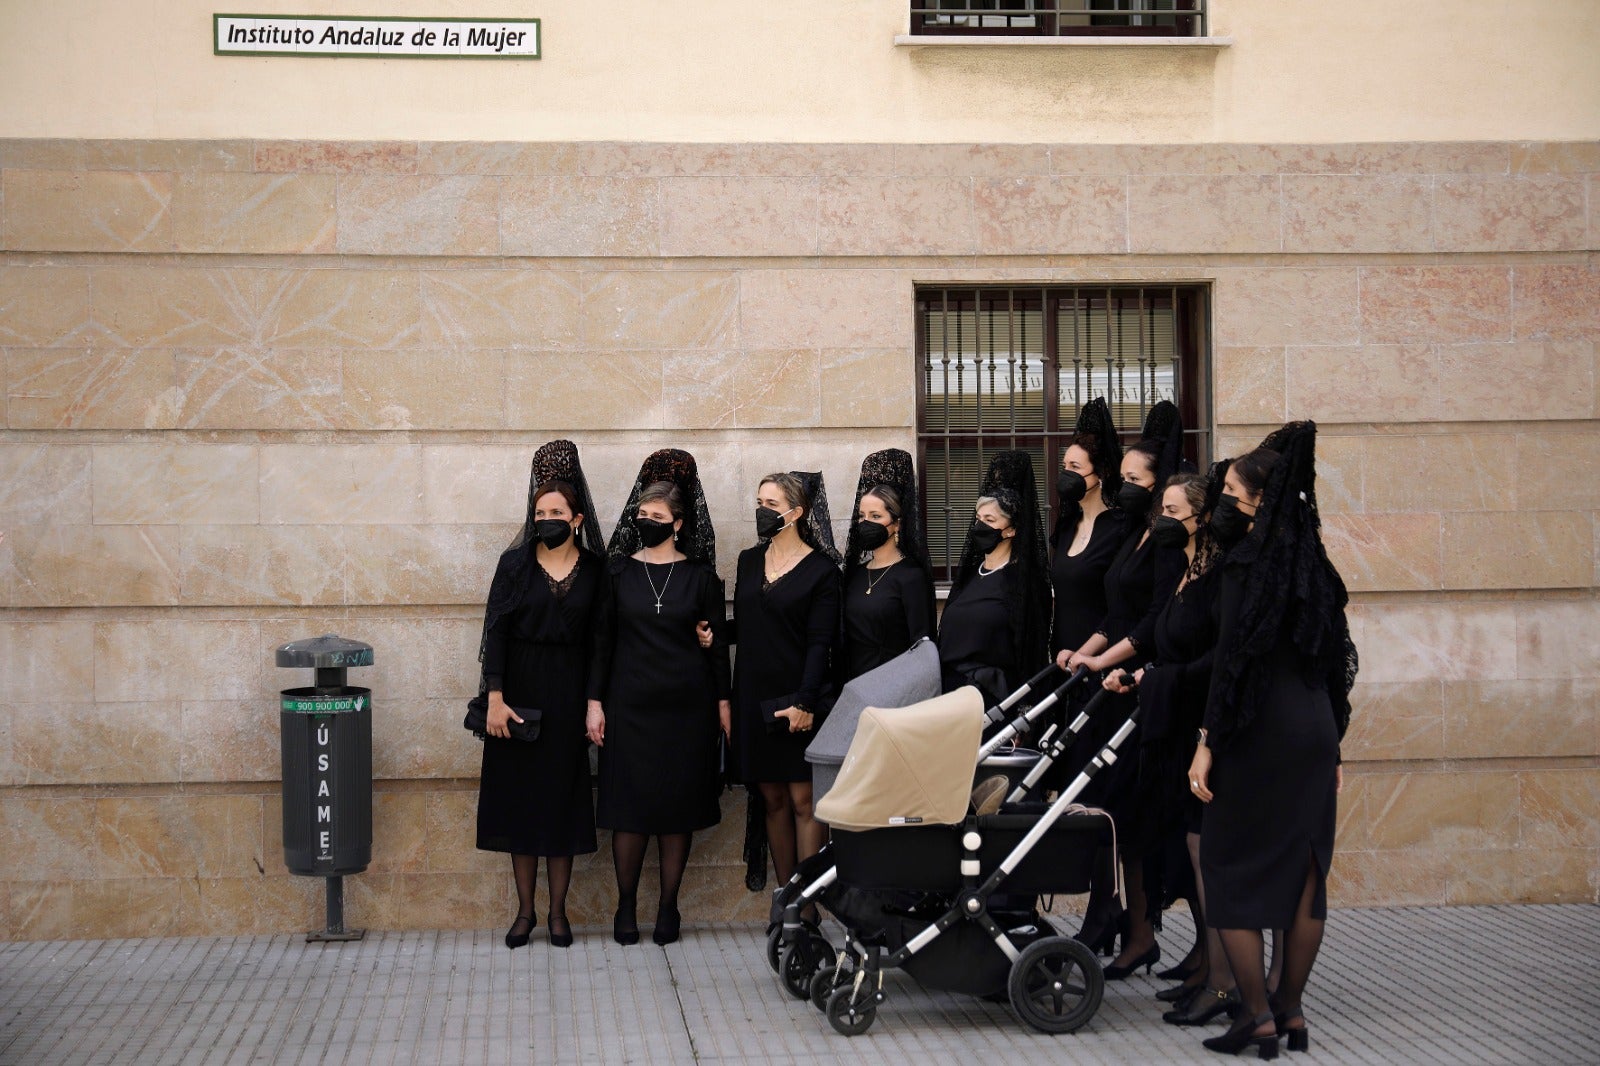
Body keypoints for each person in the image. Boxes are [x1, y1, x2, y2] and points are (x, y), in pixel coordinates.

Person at [1187, 422, 1358, 1057]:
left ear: (1259, 502)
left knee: (1228, 868)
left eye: (1230, 491)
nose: (1221, 501)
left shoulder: (1244, 568)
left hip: (1256, 734)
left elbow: (1233, 664)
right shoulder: (1314, 565)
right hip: (1312, 732)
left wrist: (1207, 741)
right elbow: (1336, 660)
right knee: (1306, 876)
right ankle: (1291, 1012)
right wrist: (1333, 744)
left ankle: (1255, 1017)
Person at [1102, 468, 1235, 1023]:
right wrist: (1140, 675)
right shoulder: (1182, 569)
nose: (1163, 522)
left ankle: (1220, 977)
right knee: (1184, 845)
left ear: (1202, 519)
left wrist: (1157, 678)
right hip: (1169, 717)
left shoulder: (1219, 576)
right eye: (1162, 513)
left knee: (1203, 852)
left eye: (1173, 514)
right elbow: (1165, 639)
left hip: (1196, 728)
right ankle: (1205, 964)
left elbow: (1218, 659)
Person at [1064, 401, 1189, 977]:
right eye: (1126, 480)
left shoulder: (1165, 544)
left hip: (1140, 694)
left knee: (1132, 821)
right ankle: (1133, 931)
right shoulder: (1131, 533)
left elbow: (1153, 623)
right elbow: (1116, 615)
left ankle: (1133, 929)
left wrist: (1103, 662)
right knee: (1112, 817)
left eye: (1138, 481)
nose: (1128, 488)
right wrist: (1084, 652)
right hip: (1111, 688)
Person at [591, 449, 730, 946]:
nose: (646, 522)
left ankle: (668, 907)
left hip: (686, 710)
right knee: (628, 811)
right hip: (628, 707)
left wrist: (723, 704)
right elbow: (602, 642)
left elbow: (716, 649)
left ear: (678, 524)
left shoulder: (700, 577)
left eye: (656, 517)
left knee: (676, 812)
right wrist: (594, 703)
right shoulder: (617, 573)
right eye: (641, 515)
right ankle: (625, 906)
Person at [474, 440, 607, 950]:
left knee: (562, 802)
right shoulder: (514, 564)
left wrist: (595, 702)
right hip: (518, 696)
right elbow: (497, 633)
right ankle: (525, 912)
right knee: (520, 804)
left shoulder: (596, 571)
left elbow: (601, 641)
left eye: (557, 512)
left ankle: (558, 913)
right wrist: (494, 696)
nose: (547, 518)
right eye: (540, 511)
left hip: (570, 692)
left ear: (576, 519)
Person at [726, 471, 842, 915]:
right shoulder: (748, 561)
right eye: (759, 501)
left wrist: (806, 702)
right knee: (771, 797)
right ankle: (786, 898)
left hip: (798, 695)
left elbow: (820, 643)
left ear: (795, 513)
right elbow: (753, 623)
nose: (762, 511)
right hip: (753, 693)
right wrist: (714, 634)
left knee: (803, 800)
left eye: (770, 504)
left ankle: (809, 904)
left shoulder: (822, 570)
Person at [936, 450, 1050, 704]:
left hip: (993, 698)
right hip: (950, 695)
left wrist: (1025, 709)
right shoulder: (968, 577)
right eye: (978, 519)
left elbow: (1032, 651)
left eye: (989, 520)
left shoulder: (1022, 582)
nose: (981, 526)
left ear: (1010, 530)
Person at [838, 448, 936, 683]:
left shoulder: (912, 576)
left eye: (875, 516)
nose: (865, 523)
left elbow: (922, 646)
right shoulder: (855, 575)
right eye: (861, 516)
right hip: (854, 687)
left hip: (894, 689)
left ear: (897, 524)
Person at [1052, 398, 1133, 671]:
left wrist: (1085, 655)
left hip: (1100, 661)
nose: (1066, 474)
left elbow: (1123, 606)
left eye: (1075, 467)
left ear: (1101, 473)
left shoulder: (1120, 528)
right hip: (1062, 658)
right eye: (1065, 466)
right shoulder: (1066, 527)